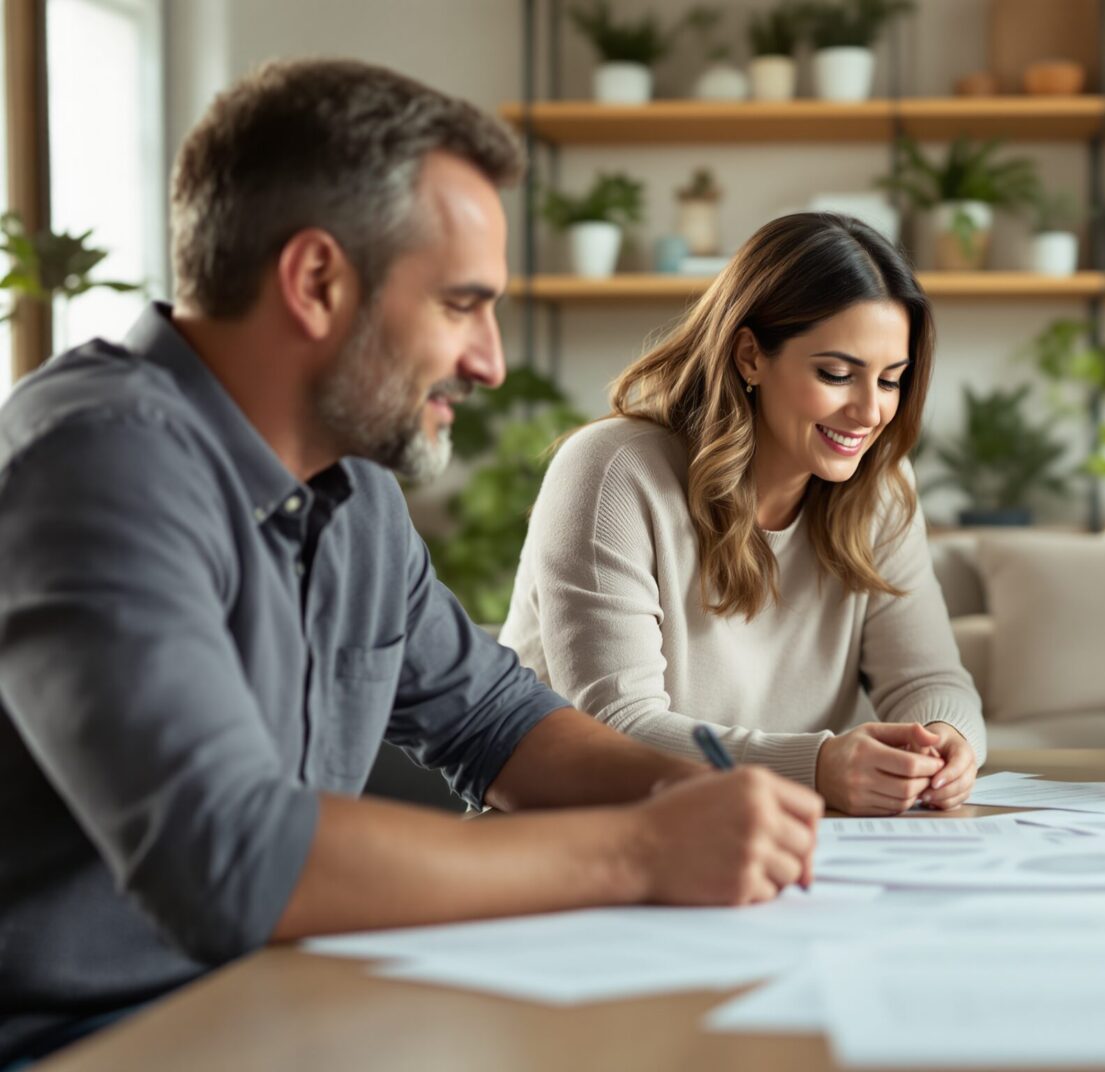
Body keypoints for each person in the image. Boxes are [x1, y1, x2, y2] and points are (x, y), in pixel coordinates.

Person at [0, 59, 823, 1066]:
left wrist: (693, 801)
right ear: (316, 282)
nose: (491, 362)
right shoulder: (98, 458)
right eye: (462, 304)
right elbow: (231, 858)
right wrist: (645, 850)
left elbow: (496, 724)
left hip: (284, 1007)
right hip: (88, 1044)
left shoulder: (354, 491)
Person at [499, 212, 986, 817]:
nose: (869, 413)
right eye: (837, 374)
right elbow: (615, 729)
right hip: (580, 828)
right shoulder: (612, 472)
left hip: (773, 830)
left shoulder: (881, 486)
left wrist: (944, 741)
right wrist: (814, 768)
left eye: (891, 381)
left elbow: (927, 678)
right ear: (750, 355)